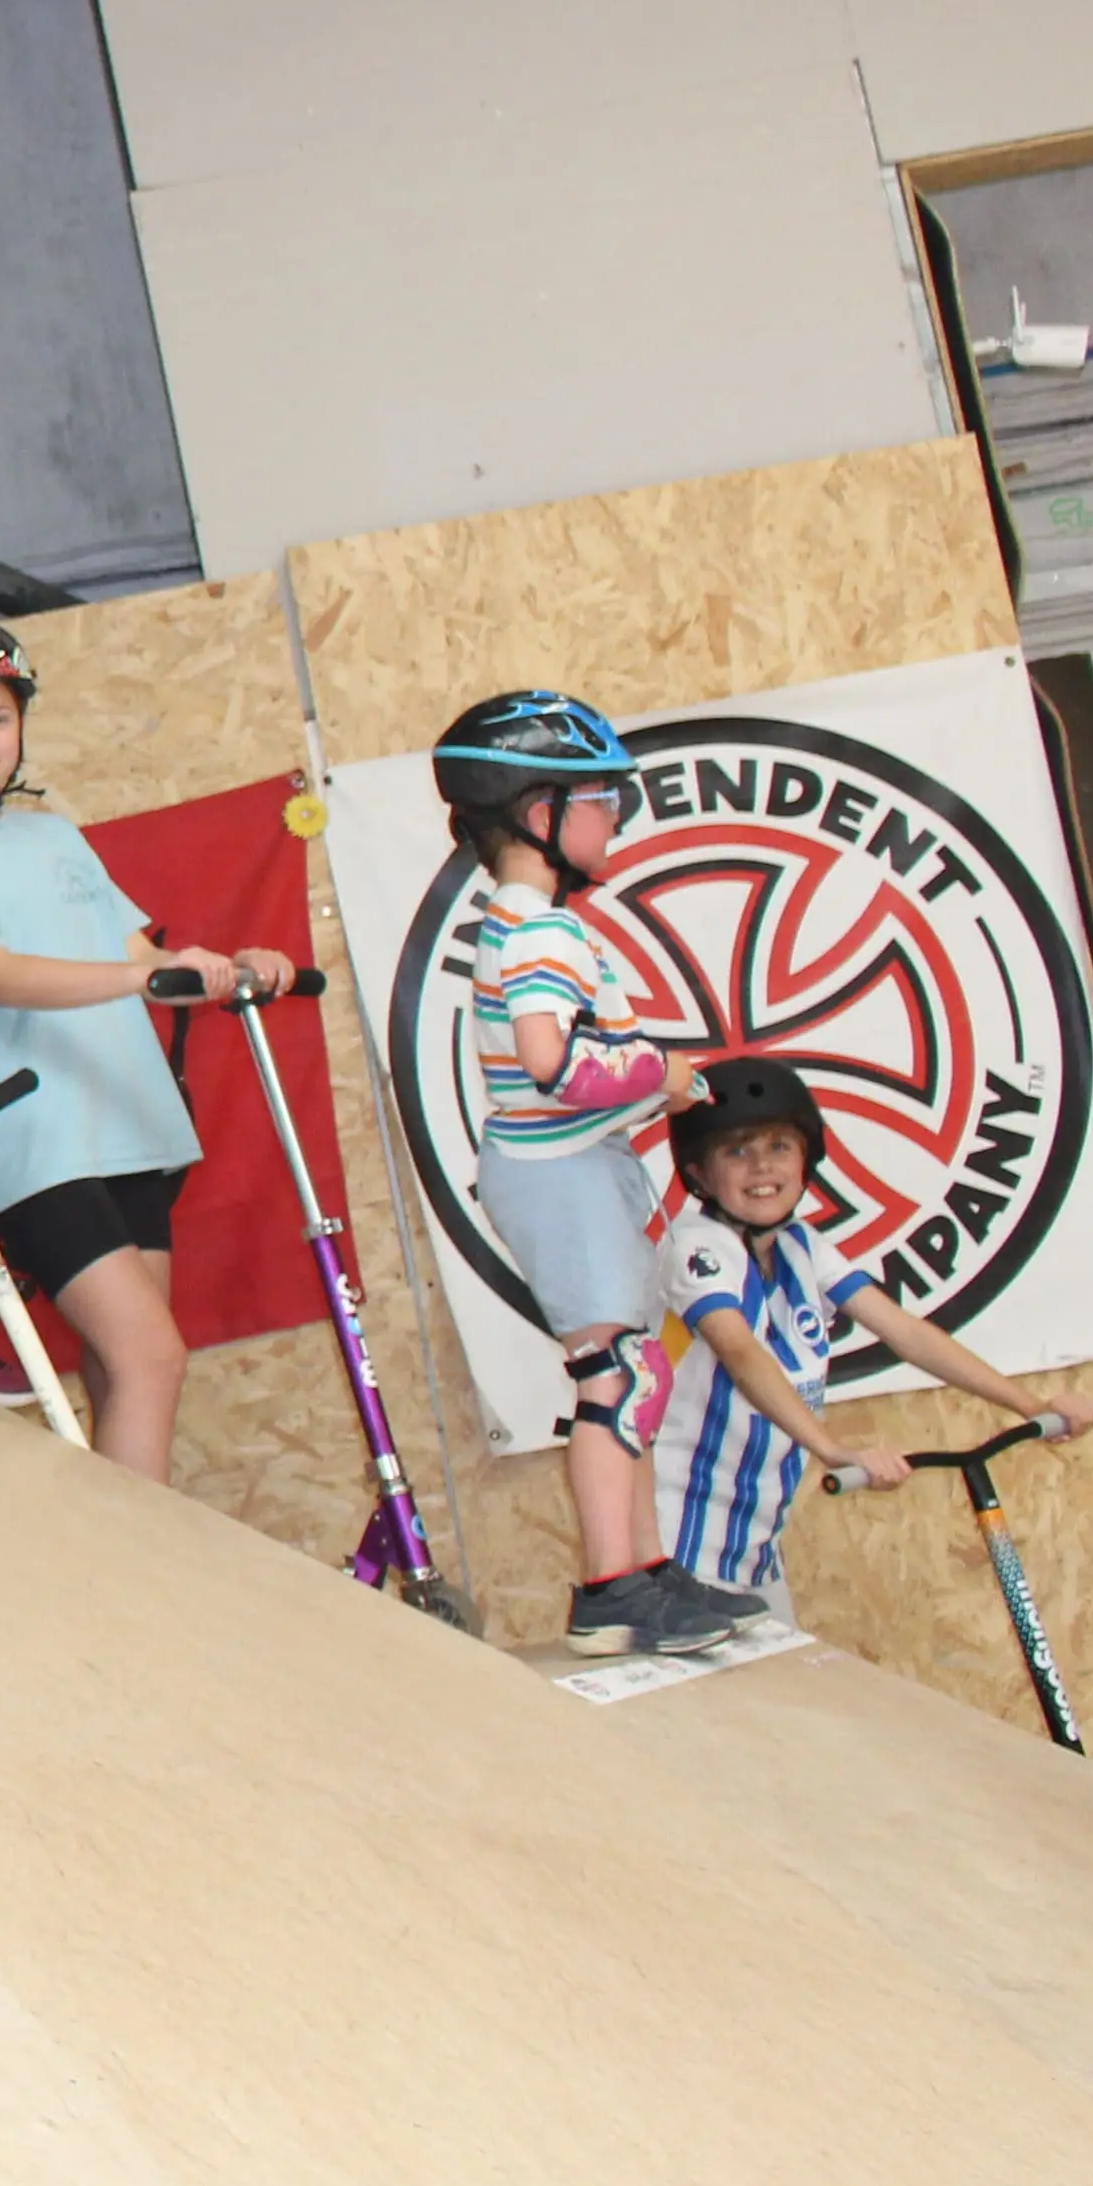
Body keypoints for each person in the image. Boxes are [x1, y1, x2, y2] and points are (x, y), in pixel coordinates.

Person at [0, 617, 280, 1464]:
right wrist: (142, 977)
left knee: (123, 1366)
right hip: (29, 1143)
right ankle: (142, 1583)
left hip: (127, 1125)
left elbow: (141, 957)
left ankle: (125, 1572)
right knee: (153, 1357)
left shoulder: (55, 835)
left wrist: (233, 968)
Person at [433, 691, 755, 1657]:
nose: (616, 815)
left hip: (578, 1166)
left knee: (634, 1369)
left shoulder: (532, 921)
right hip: (558, 1172)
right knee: (613, 1373)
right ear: (542, 817)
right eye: (601, 797)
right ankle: (613, 1586)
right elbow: (552, 1063)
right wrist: (665, 1073)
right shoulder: (535, 928)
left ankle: (645, 1572)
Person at [657, 1055, 1082, 1615]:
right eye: (737, 1151)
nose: (761, 1166)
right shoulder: (696, 1247)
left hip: (752, 1551)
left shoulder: (800, 1246)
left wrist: (1033, 1406)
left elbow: (905, 1332)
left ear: (806, 1160)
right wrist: (834, 1447)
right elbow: (740, 1351)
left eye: (779, 1147)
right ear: (698, 1174)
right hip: (679, 1548)